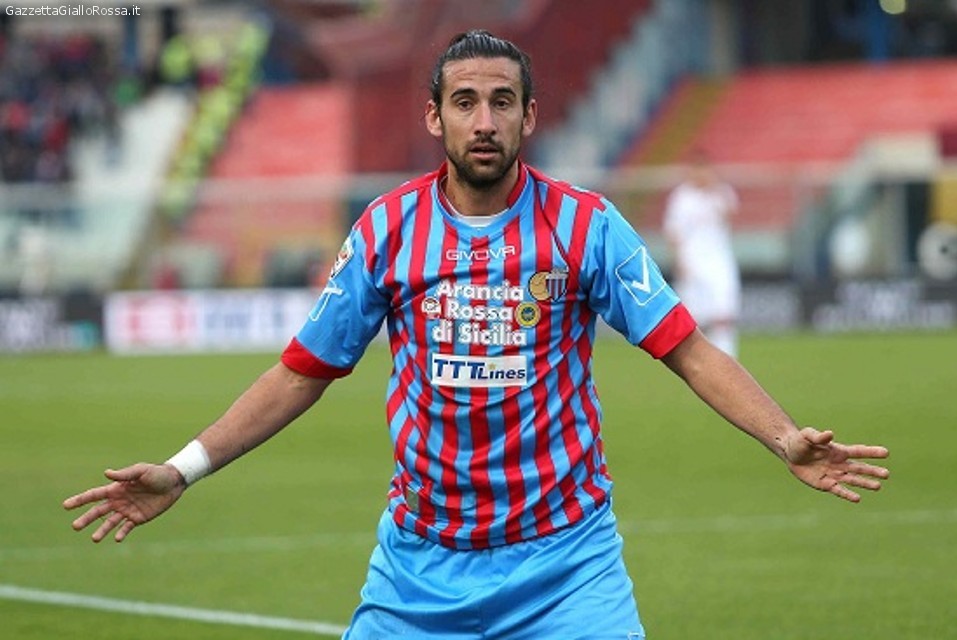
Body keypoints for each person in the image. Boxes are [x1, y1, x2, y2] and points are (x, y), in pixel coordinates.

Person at [64, 31, 890, 639]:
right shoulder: (387, 230)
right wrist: (183, 469)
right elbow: (301, 370)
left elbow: (687, 347)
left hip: (568, 564)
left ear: (529, 115)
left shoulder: (586, 226)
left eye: (501, 101)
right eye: (464, 102)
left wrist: (784, 437)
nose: (484, 120)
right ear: (435, 117)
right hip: (418, 570)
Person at [663, 150, 742, 357]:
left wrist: (714, 190)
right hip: (692, 261)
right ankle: (699, 360)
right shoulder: (681, 197)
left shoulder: (721, 192)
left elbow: (731, 214)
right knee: (694, 317)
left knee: (723, 311)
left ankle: (727, 357)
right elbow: (673, 232)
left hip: (719, 259)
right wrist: (678, 260)